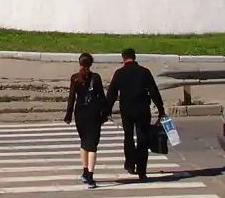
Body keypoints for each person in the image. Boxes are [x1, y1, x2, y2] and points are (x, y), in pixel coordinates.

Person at [105, 47, 166, 180]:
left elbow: (111, 94)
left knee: (128, 137)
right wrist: (161, 109)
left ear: (123, 58)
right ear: (135, 57)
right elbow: (154, 92)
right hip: (142, 109)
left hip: (126, 110)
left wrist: (106, 111)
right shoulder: (144, 72)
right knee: (142, 138)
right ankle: (142, 170)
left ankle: (130, 164)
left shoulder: (119, 73)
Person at [64, 52, 107, 188]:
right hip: (94, 114)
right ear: (91, 63)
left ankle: (84, 171)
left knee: (84, 143)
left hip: (80, 114)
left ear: (80, 63)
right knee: (92, 145)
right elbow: (102, 97)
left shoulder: (75, 78)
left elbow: (71, 98)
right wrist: (105, 114)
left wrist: (68, 115)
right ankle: (90, 176)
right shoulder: (96, 77)